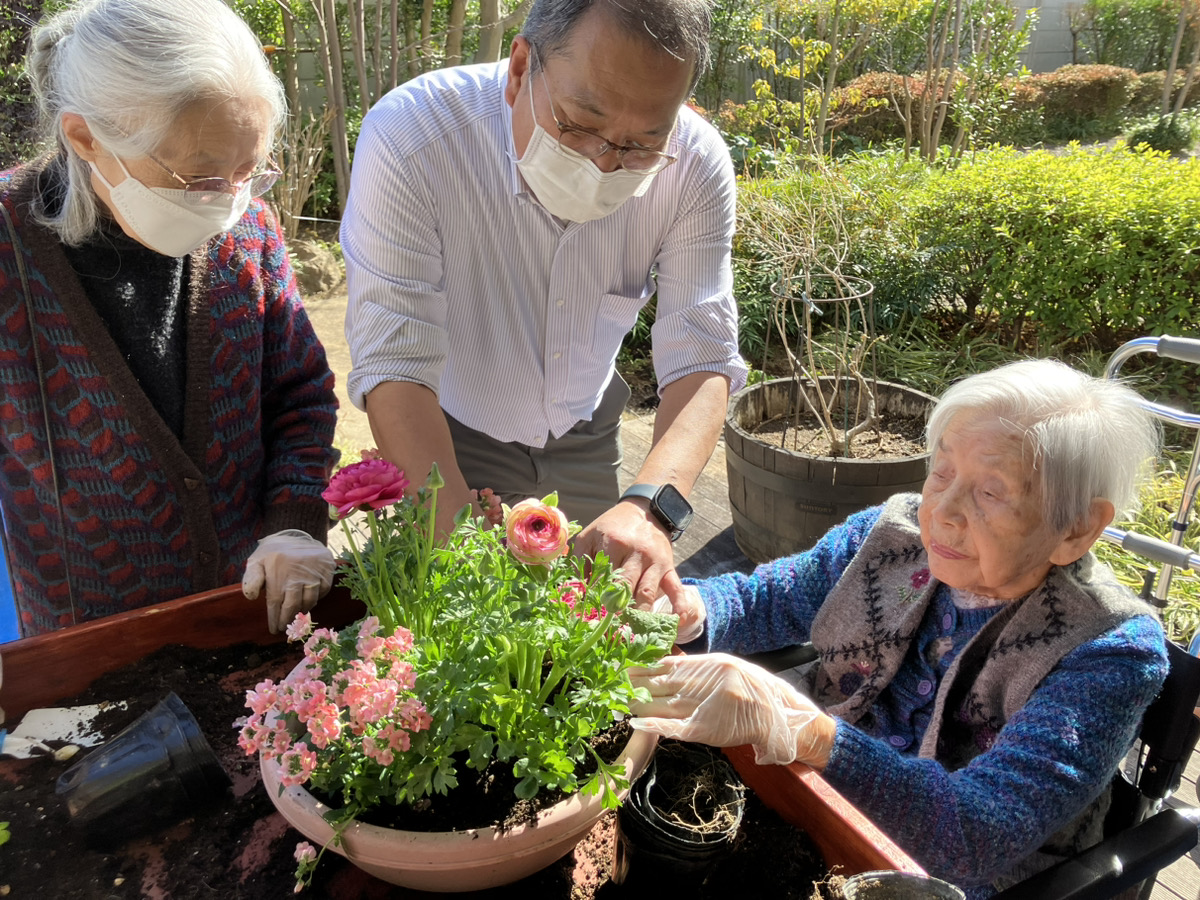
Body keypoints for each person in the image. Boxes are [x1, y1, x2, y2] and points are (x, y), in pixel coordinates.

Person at [629, 359, 1169, 898]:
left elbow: (975, 833)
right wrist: (693, 611)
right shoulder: (893, 531)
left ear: (1077, 528)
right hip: (814, 802)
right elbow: (774, 596)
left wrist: (802, 728)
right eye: (943, 471)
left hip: (945, 880)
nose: (943, 512)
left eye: (992, 492)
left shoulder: (1111, 650)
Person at [340, 0, 747, 612]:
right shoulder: (415, 135)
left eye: (642, 143)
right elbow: (394, 360)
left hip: (587, 429)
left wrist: (650, 509)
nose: (605, 161)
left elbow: (702, 353)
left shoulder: (693, 164)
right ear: (521, 68)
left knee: (583, 626)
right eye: (581, 124)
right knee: (455, 625)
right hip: (448, 431)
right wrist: (454, 538)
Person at [0, 0, 339, 638]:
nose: (228, 198)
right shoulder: (8, 247)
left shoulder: (249, 235)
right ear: (85, 138)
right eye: (200, 176)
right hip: (82, 644)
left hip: (246, 612)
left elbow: (301, 396)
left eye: (247, 170)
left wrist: (293, 521)